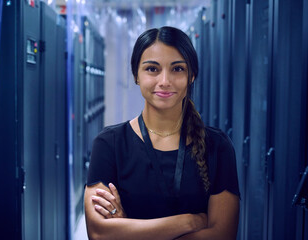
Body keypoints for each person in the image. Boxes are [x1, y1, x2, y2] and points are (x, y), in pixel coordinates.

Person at [84, 26, 240, 240]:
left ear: (191, 75)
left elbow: (222, 235)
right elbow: (99, 233)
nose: (165, 81)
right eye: (152, 69)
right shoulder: (109, 144)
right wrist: (188, 221)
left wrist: (127, 228)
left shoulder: (217, 147)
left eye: (177, 69)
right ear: (136, 75)